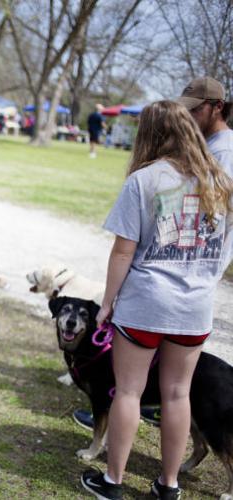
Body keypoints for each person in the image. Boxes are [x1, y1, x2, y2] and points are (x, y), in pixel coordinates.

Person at [80, 100, 233, 500]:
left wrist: (108, 302)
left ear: (149, 134)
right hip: (194, 306)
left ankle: (113, 482)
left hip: (146, 302)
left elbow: (122, 252)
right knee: (177, 395)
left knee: (128, 392)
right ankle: (169, 486)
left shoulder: (144, 180)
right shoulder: (220, 180)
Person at [179, 76, 233, 175]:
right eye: (186, 109)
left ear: (218, 107)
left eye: (195, 109)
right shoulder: (207, 144)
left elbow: (221, 191)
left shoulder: (223, 151)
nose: (188, 115)